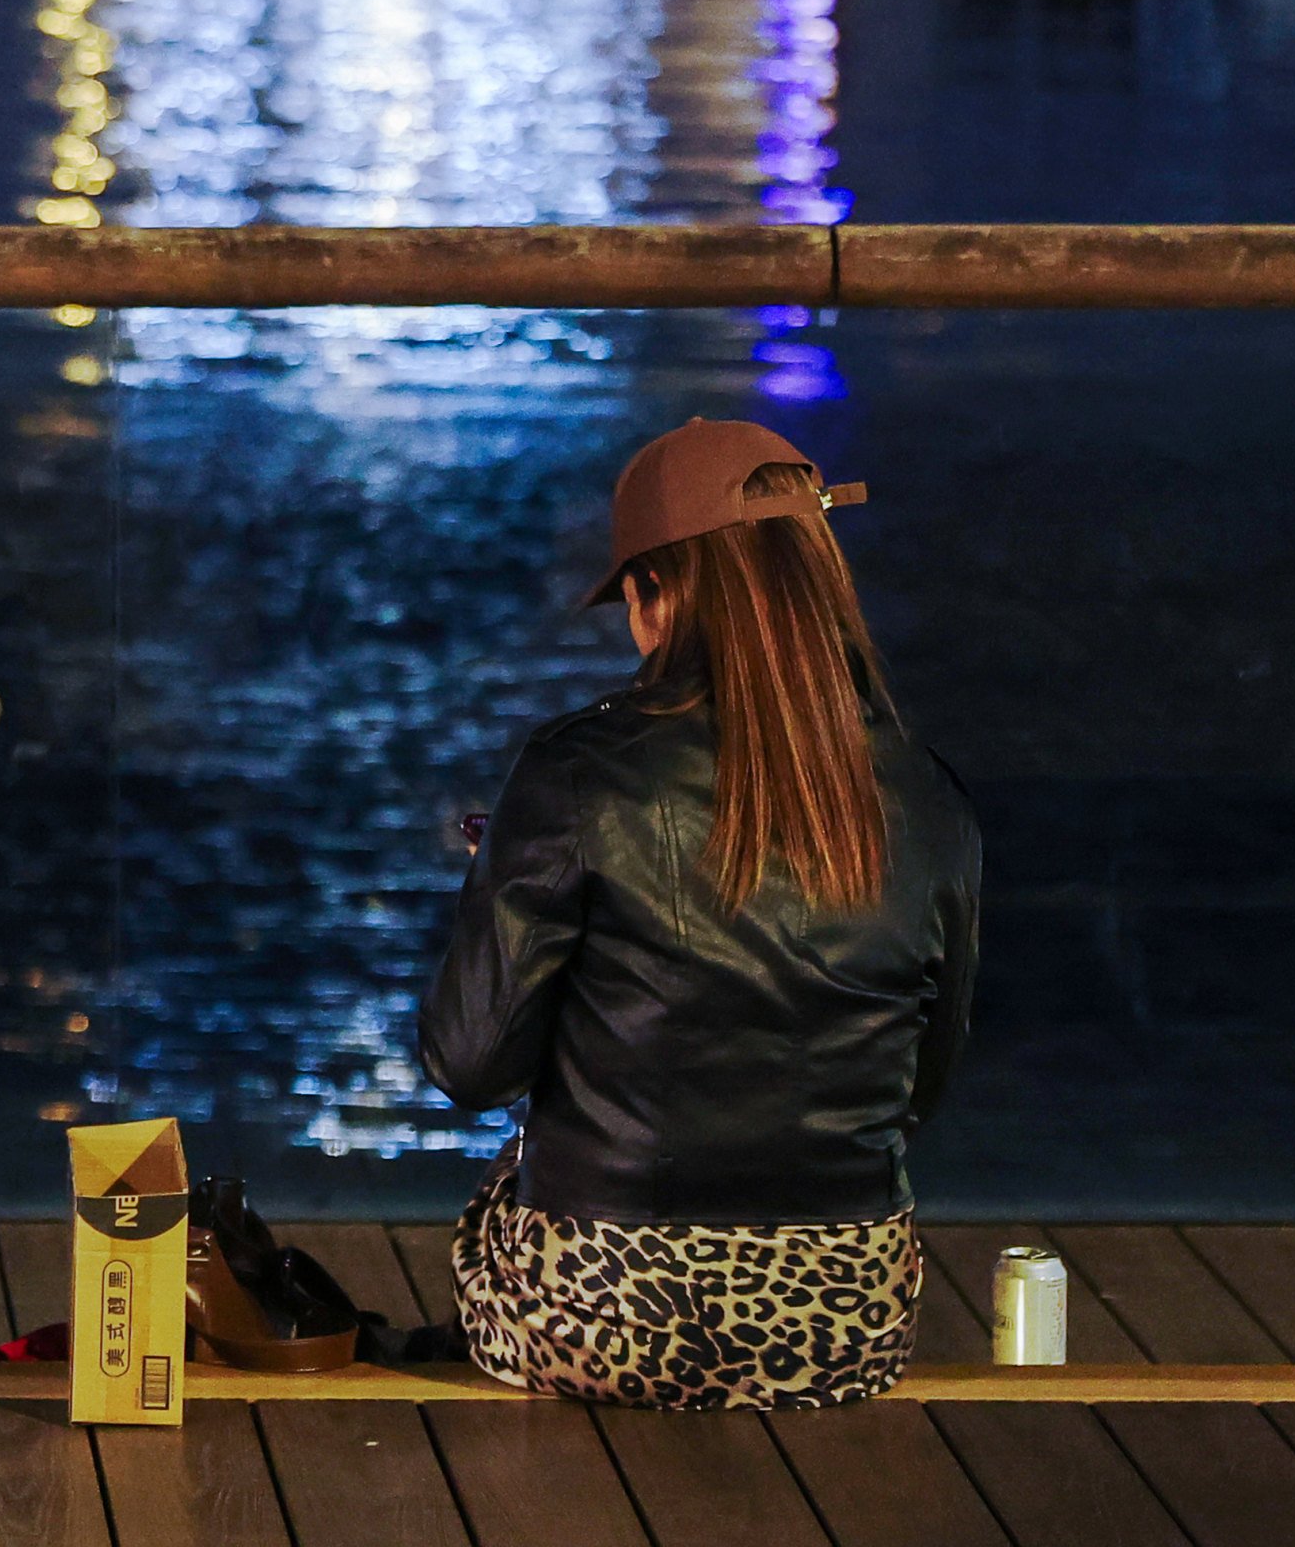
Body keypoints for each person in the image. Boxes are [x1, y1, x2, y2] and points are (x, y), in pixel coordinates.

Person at [417, 421, 981, 1411]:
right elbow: (922, 1085)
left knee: (513, 1177)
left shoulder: (578, 772)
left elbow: (471, 1066)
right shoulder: (928, 794)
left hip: (602, 1320)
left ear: (653, 589)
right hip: (844, 1323)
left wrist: (498, 883)